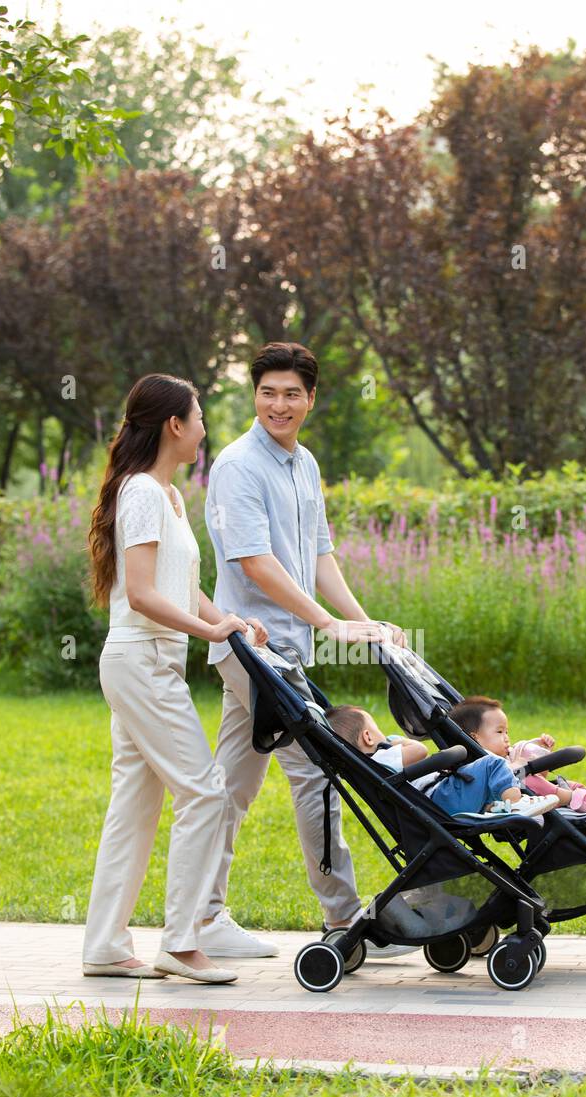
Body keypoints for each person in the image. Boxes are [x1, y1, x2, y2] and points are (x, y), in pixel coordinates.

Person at [199, 341, 415, 959]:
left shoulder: (305, 464)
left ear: (311, 398)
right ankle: (344, 922)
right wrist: (328, 623)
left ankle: (201, 917)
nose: (279, 404)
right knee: (320, 771)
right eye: (268, 392)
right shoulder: (239, 465)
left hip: (283, 651)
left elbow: (319, 555)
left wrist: (361, 620)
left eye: (292, 393)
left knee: (230, 789)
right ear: (254, 395)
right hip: (250, 650)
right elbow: (254, 563)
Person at [83, 373, 268, 982]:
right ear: (174, 426)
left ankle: (105, 946)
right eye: (199, 417)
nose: (204, 429)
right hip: (140, 660)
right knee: (206, 791)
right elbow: (138, 595)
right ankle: (181, 942)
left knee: (134, 806)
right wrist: (206, 632)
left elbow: (182, 587)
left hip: (151, 661)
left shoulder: (168, 496)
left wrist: (230, 622)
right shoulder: (139, 493)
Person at [324, 706, 559, 818]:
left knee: (480, 774)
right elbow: (419, 751)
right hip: (441, 799)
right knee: (491, 764)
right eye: (377, 729)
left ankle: (498, 805)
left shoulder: (371, 767)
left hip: (437, 802)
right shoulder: (382, 756)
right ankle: (516, 804)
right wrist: (397, 741)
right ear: (367, 737)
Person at [450, 697, 586, 811]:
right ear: (475, 738)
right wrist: (523, 767)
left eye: (507, 732)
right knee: (529, 780)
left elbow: (541, 776)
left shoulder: (506, 755)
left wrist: (539, 751)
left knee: (557, 782)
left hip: (526, 794)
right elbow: (519, 777)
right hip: (500, 800)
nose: (507, 738)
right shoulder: (480, 764)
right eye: (500, 732)